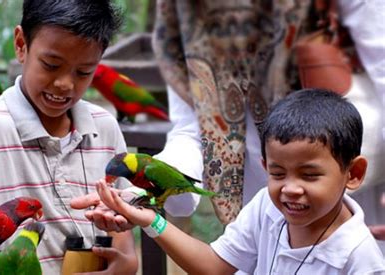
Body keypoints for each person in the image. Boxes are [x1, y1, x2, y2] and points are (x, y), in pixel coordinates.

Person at [73, 89, 385, 274]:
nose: (290, 187)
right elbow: (213, 266)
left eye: (310, 174)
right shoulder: (266, 205)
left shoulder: (360, 258)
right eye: (277, 173)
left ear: (353, 173)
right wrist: (150, 220)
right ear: (264, 166)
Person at [0, 1, 138, 274]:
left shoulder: (105, 127)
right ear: (21, 44)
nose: (65, 83)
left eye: (84, 72)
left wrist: (124, 262)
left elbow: (119, 222)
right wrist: (1, 265)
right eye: (51, 65)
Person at [151, 0, 385, 228]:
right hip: (259, 199)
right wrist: (158, 178)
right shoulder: (183, 9)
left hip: (349, 189)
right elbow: (192, 125)